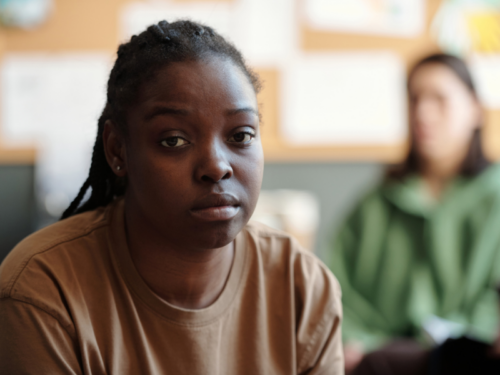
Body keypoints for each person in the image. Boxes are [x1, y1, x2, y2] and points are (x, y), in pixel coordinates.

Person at [0, 20, 343, 374]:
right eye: (174, 140)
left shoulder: (301, 285)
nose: (216, 166)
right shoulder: (43, 289)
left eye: (240, 136)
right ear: (118, 150)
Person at [328, 53, 500, 375]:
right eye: (414, 99)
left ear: (475, 109)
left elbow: (491, 311)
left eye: (439, 98)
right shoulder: (375, 204)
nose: (423, 112)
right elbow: (336, 293)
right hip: (379, 362)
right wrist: (355, 341)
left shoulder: (495, 198)